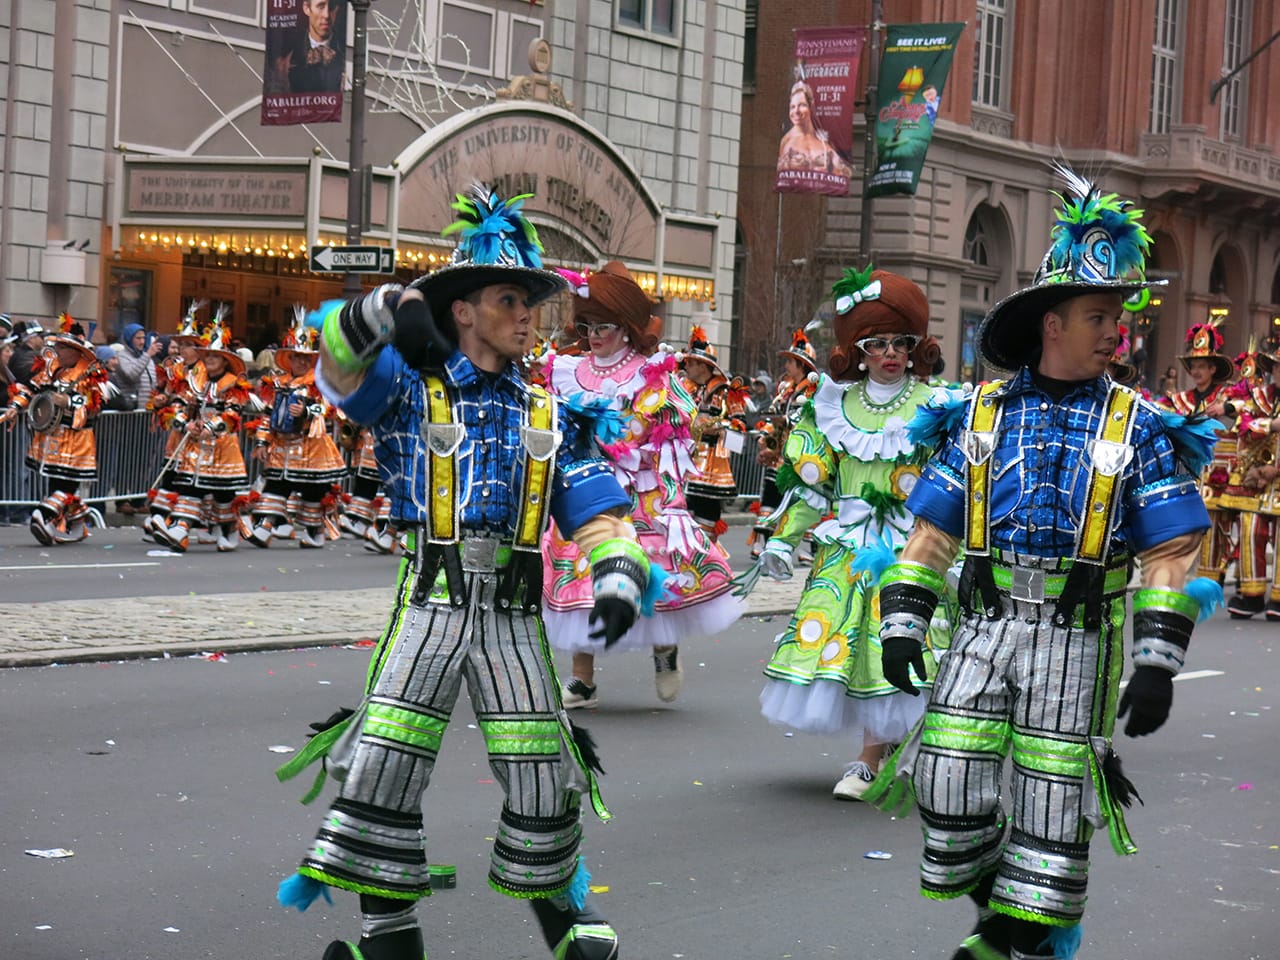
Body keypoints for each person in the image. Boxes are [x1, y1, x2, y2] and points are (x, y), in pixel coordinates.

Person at [275, 187, 649, 960]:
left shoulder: (549, 411)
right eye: (509, 299)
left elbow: (601, 515)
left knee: (544, 774)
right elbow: (337, 366)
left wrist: (617, 575)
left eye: (530, 302)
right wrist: (391, 307)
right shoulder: (410, 391)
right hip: (433, 604)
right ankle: (386, 936)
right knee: (384, 767)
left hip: (514, 615)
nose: (526, 316)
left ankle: (568, 927)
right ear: (463, 313)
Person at [865, 168, 1218, 960]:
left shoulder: (1143, 427)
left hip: (1075, 634)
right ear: (1051, 323)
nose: (1114, 335)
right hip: (984, 625)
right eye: (1098, 316)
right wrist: (902, 626)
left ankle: (1004, 943)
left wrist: (1157, 661)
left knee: (1055, 802)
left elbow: (1171, 550)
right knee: (946, 782)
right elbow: (929, 537)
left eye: (1117, 318)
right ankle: (1023, 921)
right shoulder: (979, 413)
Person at [740, 268, 955, 801]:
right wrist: (784, 539)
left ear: (914, 347)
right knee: (852, 652)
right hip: (850, 549)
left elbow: (957, 484)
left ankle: (871, 758)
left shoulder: (939, 405)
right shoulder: (831, 405)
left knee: (909, 647)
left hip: (914, 548)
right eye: (876, 343)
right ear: (857, 350)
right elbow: (813, 486)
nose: (889, 353)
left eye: (899, 342)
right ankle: (872, 757)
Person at [541, 261, 744, 709]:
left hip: (640, 491)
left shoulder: (651, 371)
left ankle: (664, 649)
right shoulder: (565, 371)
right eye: (588, 325)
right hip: (586, 489)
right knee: (585, 573)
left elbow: (680, 427)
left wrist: (654, 454)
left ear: (628, 328)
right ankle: (582, 677)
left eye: (605, 326)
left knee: (649, 572)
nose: (594, 335)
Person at [0, 316, 111, 544]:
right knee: (54, 479)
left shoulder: (91, 374)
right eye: (57, 346)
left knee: (66, 482)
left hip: (78, 439)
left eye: (62, 347)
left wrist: (69, 402)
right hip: (53, 436)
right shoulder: (52, 369)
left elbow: (97, 405)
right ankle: (76, 524)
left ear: (74, 351)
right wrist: (14, 407)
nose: (57, 350)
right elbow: (31, 388)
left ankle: (45, 515)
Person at [248, 308, 348, 548]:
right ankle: (265, 527)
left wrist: (306, 412)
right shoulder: (277, 383)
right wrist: (262, 442)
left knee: (312, 492)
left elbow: (331, 410)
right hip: (282, 448)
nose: (302, 361)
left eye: (306, 358)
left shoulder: (320, 382)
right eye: (297, 357)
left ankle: (315, 533)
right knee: (275, 486)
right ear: (289, 359)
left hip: (311, 449)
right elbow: (267, 414)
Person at [150, 321, 253, 553]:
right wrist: (185, 423)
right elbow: (181, 403)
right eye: (207, 356)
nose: (210, 360)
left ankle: (229, 530)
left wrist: (210, 426)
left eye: (215, 357)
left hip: (223, 448)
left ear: (225, 360)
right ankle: (180, 527)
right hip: (196, 446)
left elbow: (232, 414)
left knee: (223, 495)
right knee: (189, 486)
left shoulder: (233, 383)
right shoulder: (198, 382)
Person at [1158, 318, 1236, 584]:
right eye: (1193, 366)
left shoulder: (1229, 397)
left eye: (1202, 366)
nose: (1197, 371)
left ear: (1213, 368)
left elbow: (1246, 412)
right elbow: (1159, 411)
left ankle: (1213, 573)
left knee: (1216, 523)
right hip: (1190, 471)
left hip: (1222, 471)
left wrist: (1227, 409)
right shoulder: (1180, 399)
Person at [747, 330, 819, 559]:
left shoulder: (813, 390)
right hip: (780, 452)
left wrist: (785, 423)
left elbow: (811, 421)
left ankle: (807, 549)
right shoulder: (784, 390)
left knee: (806, 499)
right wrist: (765, 440)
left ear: (801, 365)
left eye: (790, 361)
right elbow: (774, 418)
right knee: (770, 494)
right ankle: (764, 542)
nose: (786, 365)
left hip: (803, 453)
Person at [1220, 343, 1280, 618]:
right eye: (1277, 366)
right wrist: (1270, 425)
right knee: (1250, 530)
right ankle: (1253, 594)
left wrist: (1275, 471)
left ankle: (1279, 597)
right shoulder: (1259, 397)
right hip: (1256, 478)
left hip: (1275, 477)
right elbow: (1244, 425)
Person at [679, 327, 748, 540]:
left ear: (703, 366)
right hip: (682, 463)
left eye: (690, 362)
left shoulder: (726, 393)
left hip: (710, 469)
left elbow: (740, 429)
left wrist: (719, 428)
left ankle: (706, 564)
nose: (685, 366)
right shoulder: (682, 388)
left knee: (706, 522)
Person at [268, 0, 345, 95]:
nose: (326, 15)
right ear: (307, 8)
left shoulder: (345, 56)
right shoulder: (284, 63)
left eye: (331, 7)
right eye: (320, 6)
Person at [777, 80, 853, 176]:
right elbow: (782, 178)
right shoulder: (786, 141)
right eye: (792, 107)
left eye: (802, 105)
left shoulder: (824, 139)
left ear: (811, 106)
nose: (796, 111)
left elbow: (845, 173)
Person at [113, 322, 163, 412]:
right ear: (129, 339)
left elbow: (153, 384)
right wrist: (147, 355)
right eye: (138, 338)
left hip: (148, 409)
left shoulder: (148, 358)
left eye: (144, 338)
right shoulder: (121, 357)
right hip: (130, 411)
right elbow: (131, 376)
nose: (142, 342)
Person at [8, 319, 46, 387]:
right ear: (31, 338)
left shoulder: (17, 352)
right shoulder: (29, 357)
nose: (43, 340)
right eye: (41, 337)